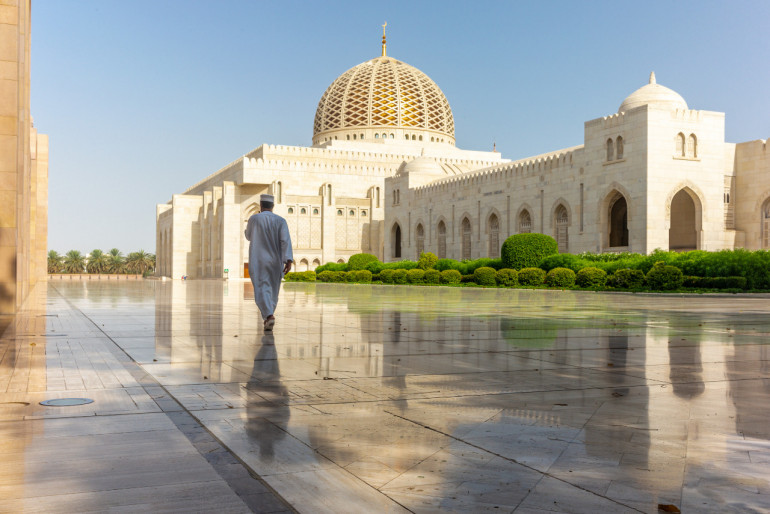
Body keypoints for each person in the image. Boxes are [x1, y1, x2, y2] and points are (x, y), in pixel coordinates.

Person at [244, 194, 293, 331]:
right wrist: (288, 260)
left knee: (261, 288)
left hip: (259, 260)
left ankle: (269, 315)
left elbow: (248, 236)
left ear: (261, 205)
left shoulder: (254, 219)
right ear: (273, 206)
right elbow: (285, 240)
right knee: (273, 289)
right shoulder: (281, 220)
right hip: (275, 261)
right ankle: (268, 317)